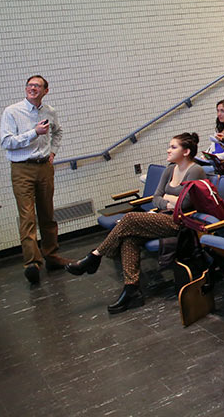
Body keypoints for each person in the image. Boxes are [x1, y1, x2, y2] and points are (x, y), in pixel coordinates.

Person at [65, 133, 207, 312]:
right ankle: (131, 290)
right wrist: (169, 200)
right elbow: (156, 197)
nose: (168, 150)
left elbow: (186, 204)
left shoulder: (196, 170)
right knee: (129, 238)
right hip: (162, 216)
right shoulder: (170, 169)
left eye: (173, 147)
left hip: (182, 222)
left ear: (186, 151)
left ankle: (95, 256)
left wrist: (169, 199)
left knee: (130, 218)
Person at [0, 74, 70, 284]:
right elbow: (7, 142)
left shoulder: (50, 111)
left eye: (37, 86)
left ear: (45, 91)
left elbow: (58, 132)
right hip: (22, 168)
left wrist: (53, 152)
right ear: (25, 89)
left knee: (47, 214)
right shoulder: (12, 112)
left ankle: (51, 256)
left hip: (44, 167)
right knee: (27, 216)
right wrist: (34, 133)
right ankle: (32, 263)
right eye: (30, 85)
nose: (33, 88)